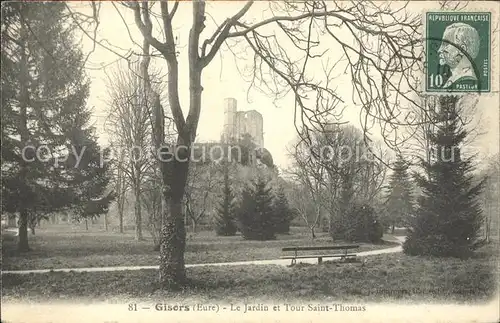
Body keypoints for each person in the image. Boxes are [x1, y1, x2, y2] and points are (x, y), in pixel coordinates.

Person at [437, 22, 480, 89]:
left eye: (446, 44)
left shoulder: (466, 81)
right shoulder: (454, 79)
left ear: (462, 49)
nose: (439, 50)